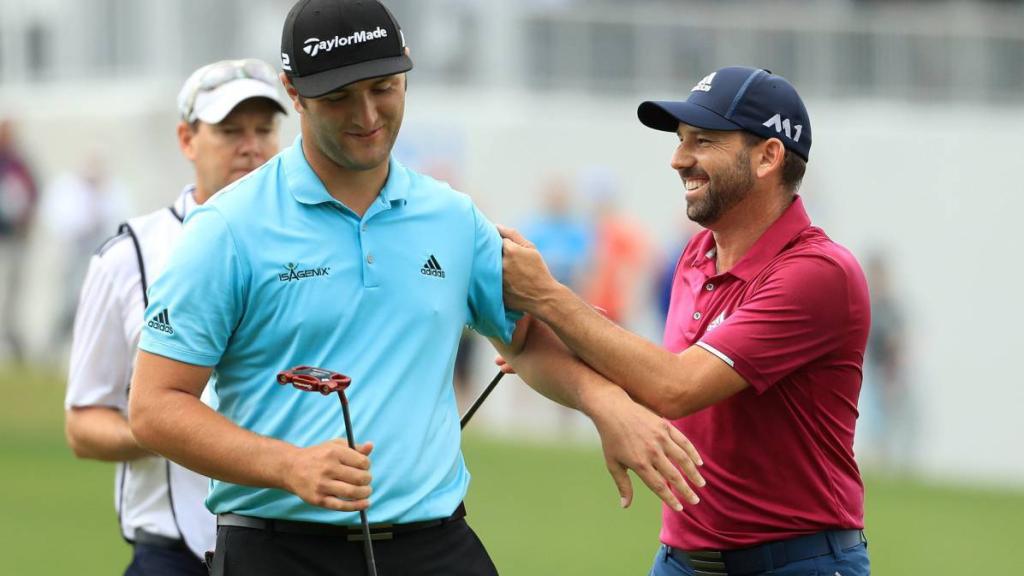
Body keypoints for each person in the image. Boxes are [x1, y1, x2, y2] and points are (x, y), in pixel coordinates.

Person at [128, 2, 704, 575]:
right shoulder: (228, 228)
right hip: (280, 551)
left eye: (384, 87)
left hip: (437, 546)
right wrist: (288, 466)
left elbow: (524, 341)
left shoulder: (452, 218)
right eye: (338, 98)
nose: (367, 114)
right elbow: (155, 406)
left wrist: (606, 404)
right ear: (293, 93)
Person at [499, 66, 872, 576]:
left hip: (797, 562)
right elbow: (660, 374)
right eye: (680, 140)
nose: (678, 159)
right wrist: (575, 361)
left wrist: (547, 297)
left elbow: (676, 386)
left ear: (768, 156)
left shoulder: (820, 273)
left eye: (703, 141)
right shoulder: (698, 252)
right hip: (680, 561)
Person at [64, 58, 287, 575]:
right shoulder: (131, 255)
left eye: (265, 129)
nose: (251, 146)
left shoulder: (311, 244)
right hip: (172, 554)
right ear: (187, 140)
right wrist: (168, 424)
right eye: (230, 130)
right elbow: (83, 424)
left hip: (292, 544)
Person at [0, 118, 39, 362]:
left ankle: (10, 337)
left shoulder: (19, 164)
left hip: (13, 238)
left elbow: (33, 192)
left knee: (12, 292)